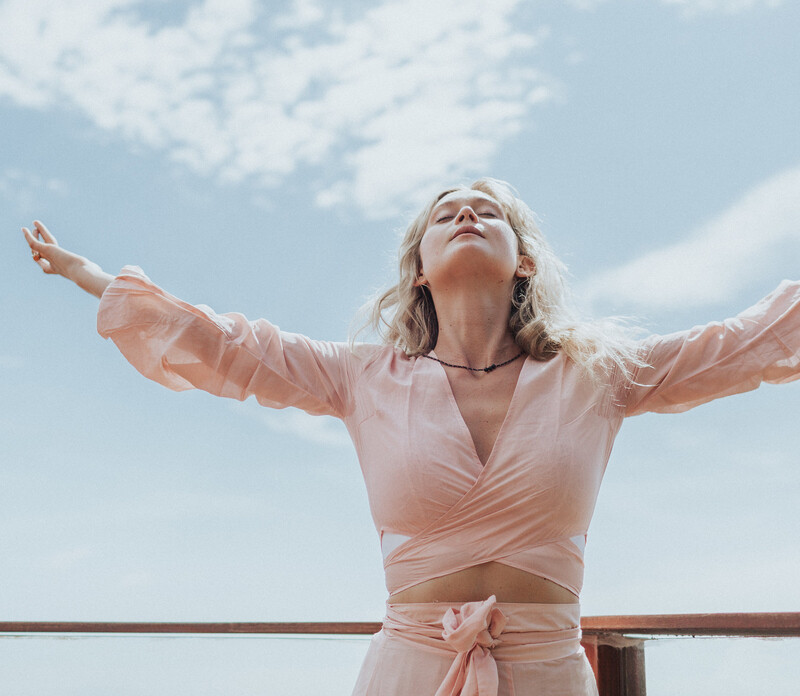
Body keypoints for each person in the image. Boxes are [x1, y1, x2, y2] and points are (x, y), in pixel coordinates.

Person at [22, 178, 800, 696]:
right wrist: (92, 274)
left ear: (523, 259)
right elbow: (227, 344)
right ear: (420, 268)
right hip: (408, 669)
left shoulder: (597, 373)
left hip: (547, 671)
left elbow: (744, 344)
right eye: (444, 213)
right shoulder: (363, 376)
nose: (466, 214)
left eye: (487, 209)